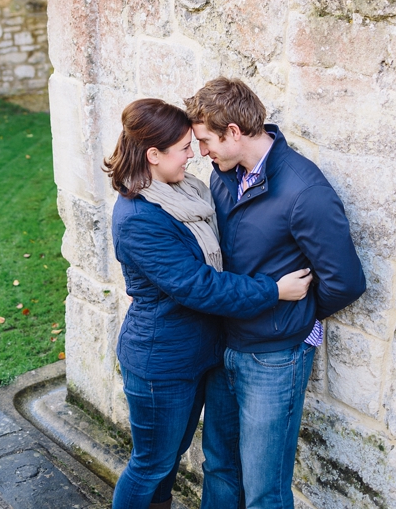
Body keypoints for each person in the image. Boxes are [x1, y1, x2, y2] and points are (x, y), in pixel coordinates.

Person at [105, 98, 314, 509]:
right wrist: (274, 290)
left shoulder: (184, 192)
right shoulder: (139, 218)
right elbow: (201, 287)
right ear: (153, 155)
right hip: (160, 362)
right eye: (184, 147)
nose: (194, 155)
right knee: (151, 464)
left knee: (170, 459)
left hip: (199, 354)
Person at [185, 77, 366, 509]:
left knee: (266, 490)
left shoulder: (306, 192)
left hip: (273, 359)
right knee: (219, 468)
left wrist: (293, 319)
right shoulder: (224, 175)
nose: (201, 152)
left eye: (206, 141)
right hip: (223, 345)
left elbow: (346, 281)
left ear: (233, 133)